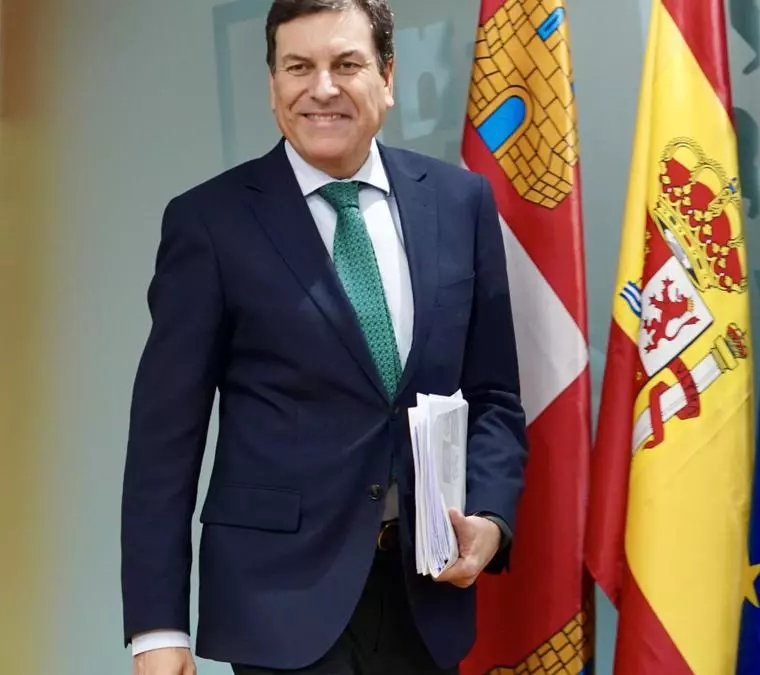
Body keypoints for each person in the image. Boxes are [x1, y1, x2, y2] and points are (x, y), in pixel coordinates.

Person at [119, 1, 528, 673]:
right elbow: (165, 440)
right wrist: (157, 628)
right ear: (272, 84)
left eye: (346, 64)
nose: (322, 88)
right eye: (298, 67)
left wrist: (489, 517)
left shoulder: (461, 204)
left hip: (426, 600)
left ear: (387, 77)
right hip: (276, 605)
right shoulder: (210, 223)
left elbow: (494, 398)